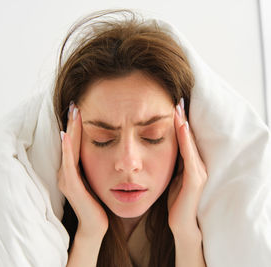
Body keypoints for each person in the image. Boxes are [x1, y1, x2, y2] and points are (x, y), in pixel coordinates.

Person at [54, 9, 208, 267]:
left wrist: (186, 233)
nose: (128, 162)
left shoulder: (213, 215)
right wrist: (89, 233)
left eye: (153, 136)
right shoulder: (45, 219)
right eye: (102, 138)